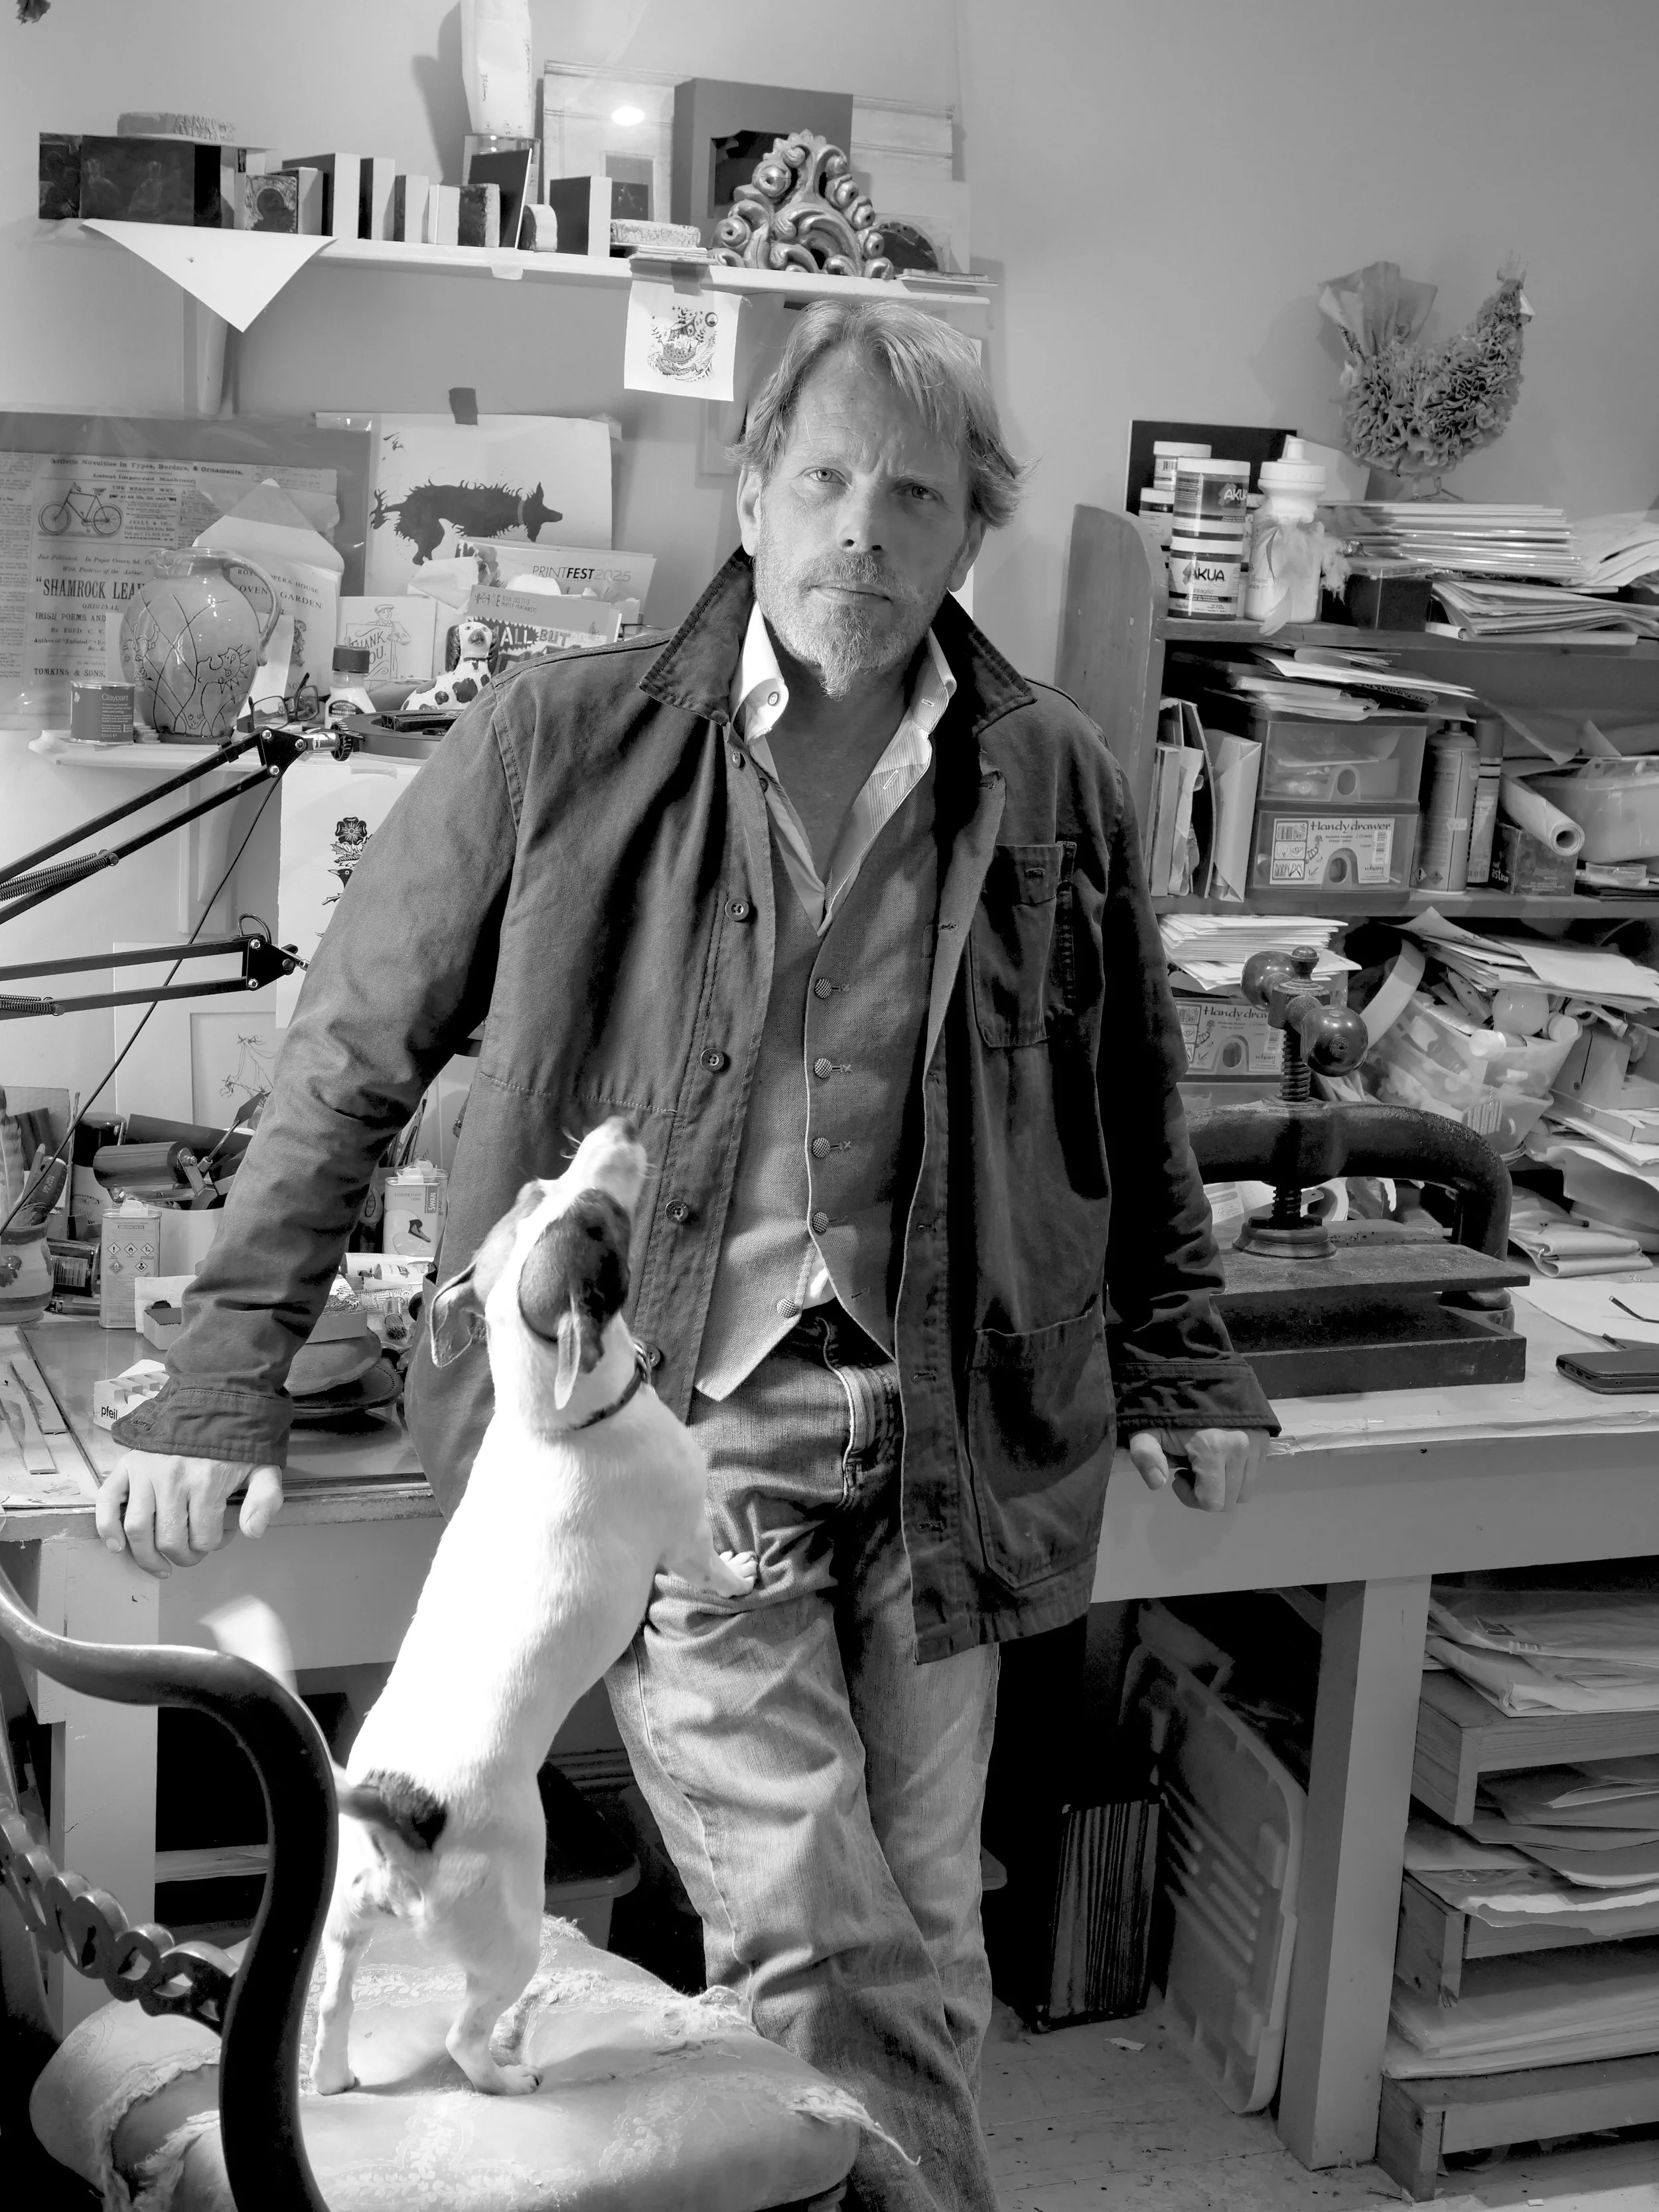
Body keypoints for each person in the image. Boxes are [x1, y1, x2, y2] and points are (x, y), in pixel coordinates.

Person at [100, 299, 1277, 2211]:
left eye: (912, 497)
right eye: (820, 481)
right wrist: (231, 1369)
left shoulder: (1047, 772)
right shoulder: (562, 739)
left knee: (930, 1943)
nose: (859, 537)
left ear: (968, 530)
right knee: (822, 1947)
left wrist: (1179, 1351)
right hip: (670, 1452)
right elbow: (350, 1056)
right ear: (751, 488)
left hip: (946, 1439)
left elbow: (1125, 1095)